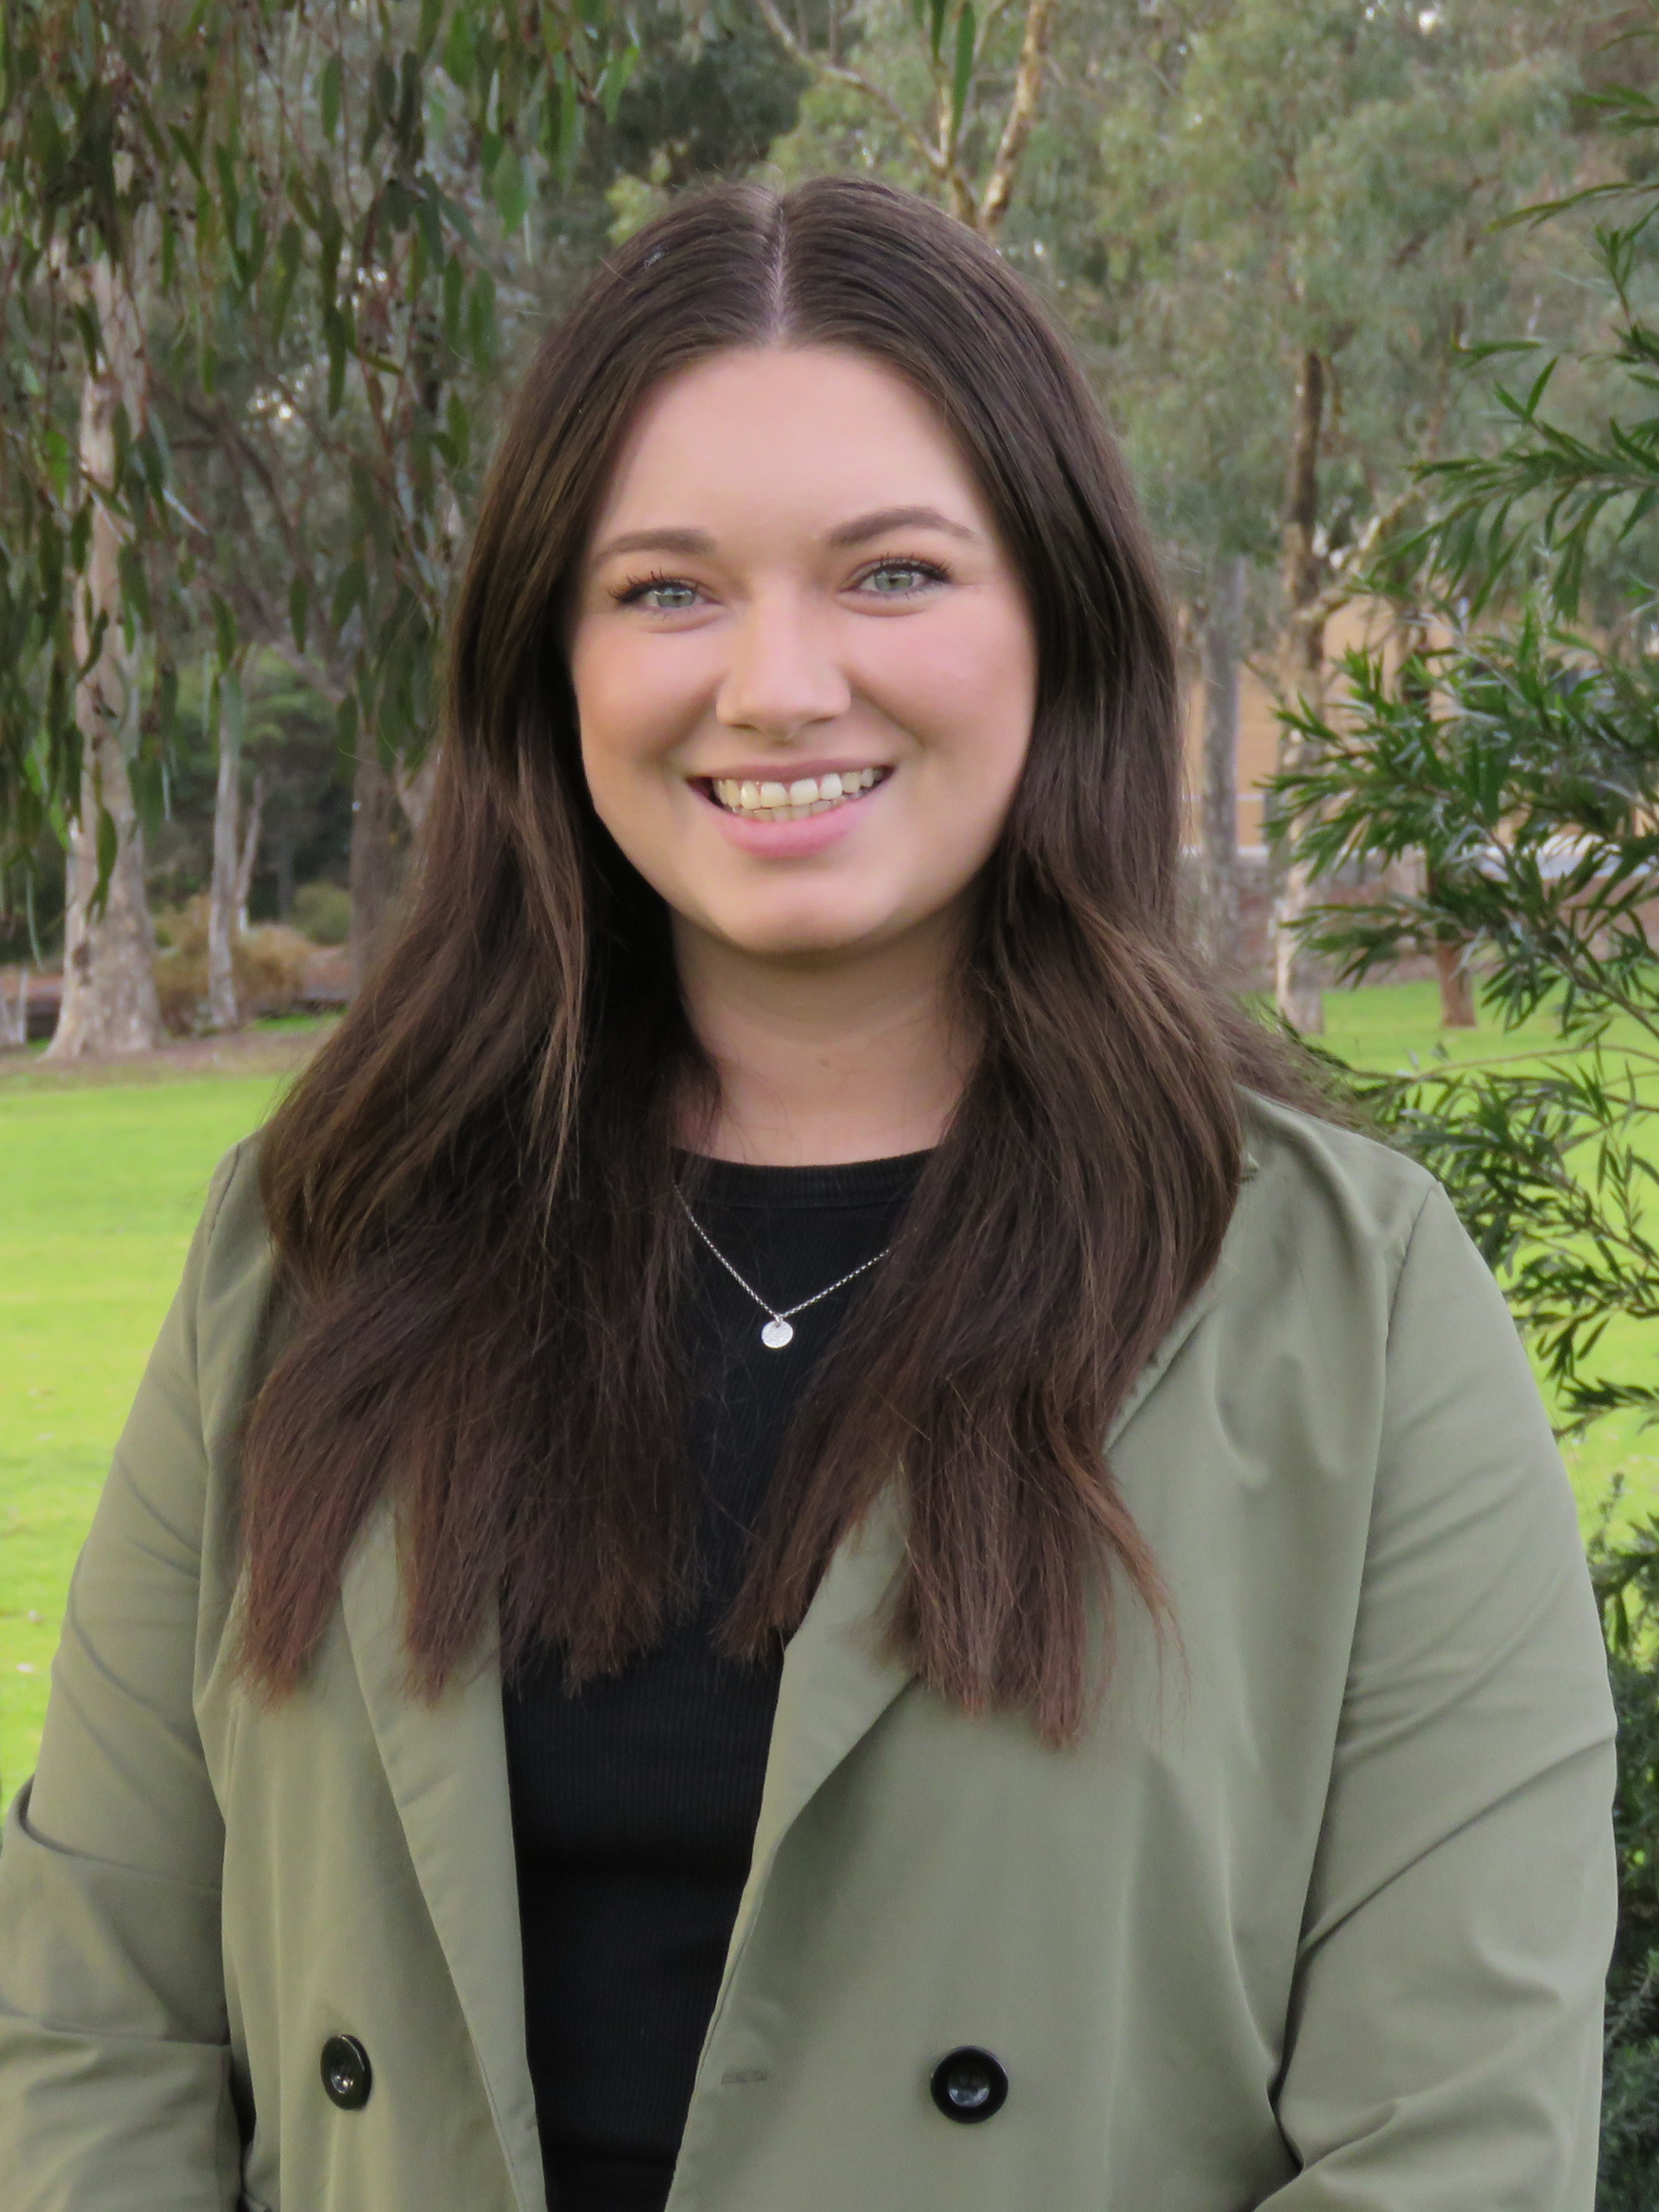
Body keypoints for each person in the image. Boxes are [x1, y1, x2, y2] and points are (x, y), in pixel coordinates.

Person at [0, 177, 1616, 2212]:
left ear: (1058, 618)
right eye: (666, 589)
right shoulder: (315, 1248)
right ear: (548, 662)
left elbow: (1453, 2138)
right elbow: (95, 2016)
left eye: (893, 573)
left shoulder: (1342, 1304)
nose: (776, 685)